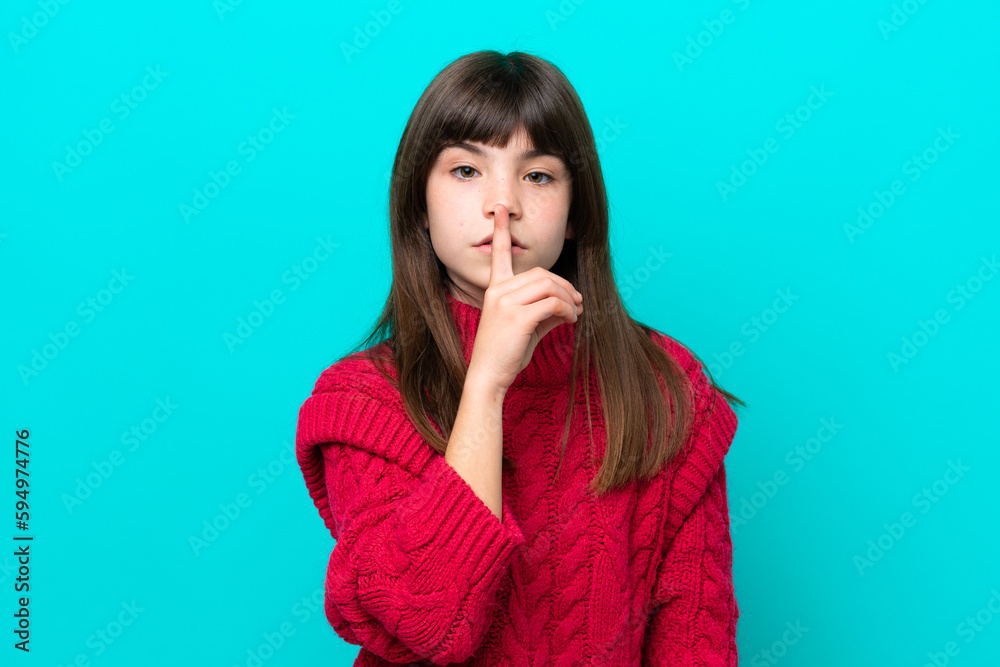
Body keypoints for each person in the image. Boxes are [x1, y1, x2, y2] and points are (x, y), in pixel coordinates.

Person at [295, 49, 746, 666]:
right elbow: (425, 623)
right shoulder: (362, 402)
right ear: (418, 205)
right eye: (465, 170)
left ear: (577, 210)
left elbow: (697, 641)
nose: (501, 203)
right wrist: (487, 383)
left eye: (538, 176)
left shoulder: (666, 390)